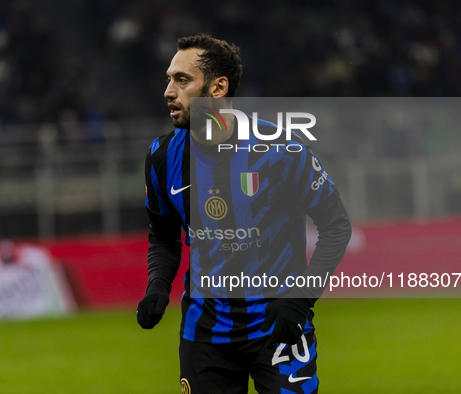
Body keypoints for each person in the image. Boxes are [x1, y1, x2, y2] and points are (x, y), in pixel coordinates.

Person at [137, 33, 352, 394]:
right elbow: (163, 236)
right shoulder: (161, 158)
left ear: (218, 88)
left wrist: (301, 298)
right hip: (204, 329)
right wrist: (158, 285)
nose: (168, 92)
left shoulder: (282, 151)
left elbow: (336, 226)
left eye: (182, 80)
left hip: (279, 324)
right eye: (169, 79)